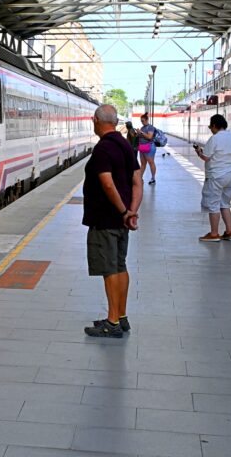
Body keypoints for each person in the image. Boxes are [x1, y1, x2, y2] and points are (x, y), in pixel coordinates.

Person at [83, 104, 143, 338]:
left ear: (96, 120)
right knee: (120, 266)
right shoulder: (125, 145)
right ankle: (121, 316)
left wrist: (123, 211)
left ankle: (112, 322)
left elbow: (107, 184)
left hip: (105, 219)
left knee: (109, 270)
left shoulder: (103, 148)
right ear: (116, 122)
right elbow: (137, 181)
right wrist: (131, 212)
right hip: (120, 222)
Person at [194, 114, 231, 242]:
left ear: (214, 125)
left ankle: (214, 234)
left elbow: (206, 157)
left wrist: (199, 152)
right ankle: (229, 231)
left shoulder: (215, 138)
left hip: (217, 176)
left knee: (213, 204)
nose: (210, 129)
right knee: (225, 204)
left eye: (210, 127)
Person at [136, 113, 157, 185]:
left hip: (149, 147)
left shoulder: (150, 127)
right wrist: (138, 133)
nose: (142, 122)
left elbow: (149, 137)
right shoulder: (142, 128)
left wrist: (141, 132)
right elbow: (141, 136)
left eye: (143, 121)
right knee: (143, 164)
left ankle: (153, 178)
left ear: (147, 120)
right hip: (142, 147)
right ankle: (140, 178)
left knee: (151, 162)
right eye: (141, 121)